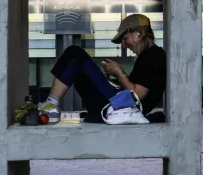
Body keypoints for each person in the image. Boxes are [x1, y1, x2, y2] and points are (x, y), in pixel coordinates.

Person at [37, 14, 166, 125]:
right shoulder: (150, 55)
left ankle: (52, 105)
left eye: (125, 39)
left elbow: (138, 94)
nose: (124, 44)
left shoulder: (152, 55)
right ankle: (61, 106)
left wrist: (119, 72)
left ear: (137, 34)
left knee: (74, 53)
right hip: (119, 104)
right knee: (79, 66)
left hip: (120, 106)